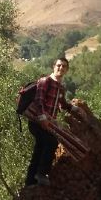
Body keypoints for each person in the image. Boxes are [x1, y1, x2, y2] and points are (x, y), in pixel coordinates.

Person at [24, 57, 82, 187]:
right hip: (37, 121)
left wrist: (74, 108)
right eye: (59, 65)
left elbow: (62, 103)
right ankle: (42, 174)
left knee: (40, 148)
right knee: (51, 142)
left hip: (46, 122)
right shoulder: (45, 81)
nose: (61, 68)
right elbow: (39, 100)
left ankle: (30, 182)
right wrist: (42, 118)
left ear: (66, 70)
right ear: (53, 66)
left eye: (64, 66)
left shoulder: (60, 88)